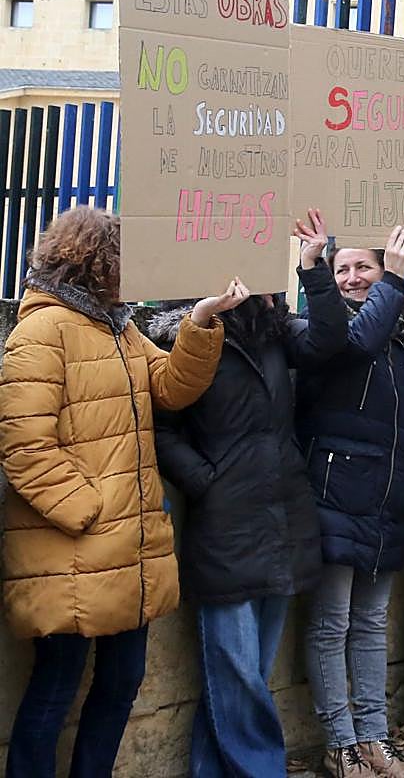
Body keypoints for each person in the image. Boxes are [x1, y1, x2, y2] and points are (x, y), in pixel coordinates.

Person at [0, 206, 243, 778]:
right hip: (73, 549)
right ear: (96, 262)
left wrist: (202, 320)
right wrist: (92, 512)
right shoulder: (43, 330)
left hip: (125, 551)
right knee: (55, 688)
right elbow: (24, 447)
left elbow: (169, 387)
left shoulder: (118, 326)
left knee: (121, 681)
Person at [151, 210, 349, 777]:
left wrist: (314, 268)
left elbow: (332, 339)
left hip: (281, 515)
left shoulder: (274, 331)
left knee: (245, 672)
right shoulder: (184, 336)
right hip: (227, 520)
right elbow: (160, 420)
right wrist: (203, 479)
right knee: (235, 669)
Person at [294, 228, 404, 778]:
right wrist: (392, 278)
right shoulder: (324, 329)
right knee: (332, 623)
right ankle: (340, 744)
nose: (352, 278)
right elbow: (356, 344)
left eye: (363, 268)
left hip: (386, 495)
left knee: (371, 623)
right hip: (334, 493)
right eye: (342, 269)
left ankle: (373, 739)